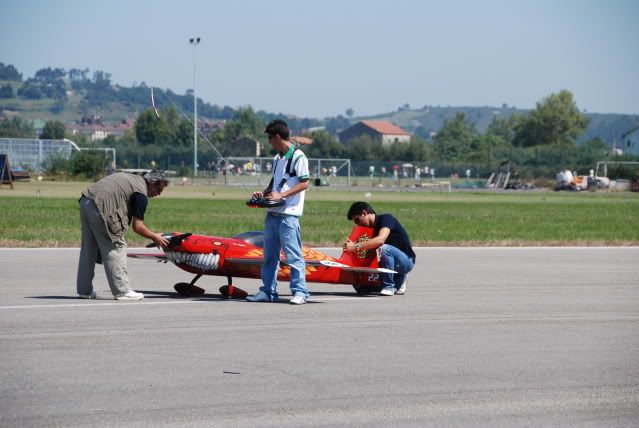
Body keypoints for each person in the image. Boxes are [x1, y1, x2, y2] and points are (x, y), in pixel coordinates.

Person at [76, 171, 169, 300]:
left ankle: (84, 291)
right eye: (159, 189)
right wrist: (155, 237)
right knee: (116, 245)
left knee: (88, 249)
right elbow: (138, 227)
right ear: (152, 183)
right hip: (100, 205)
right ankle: (122, 291)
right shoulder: (140, 195)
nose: (158, 194)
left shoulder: (133, 179)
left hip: (86, 200)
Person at [246, 119, 310, 305]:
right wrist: (265, 194)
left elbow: (305, 183)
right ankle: (268, 291)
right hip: (272, 214)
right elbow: (275, 182)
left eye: (269, 139)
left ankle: (300, 292)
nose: (269, 143)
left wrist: (282, 195)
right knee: (269, 257)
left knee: (293, 256)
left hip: (289, 215)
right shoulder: (277, 159)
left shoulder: (299, 157)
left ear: (277, 137)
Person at [343, 201, 415, 296]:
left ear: (364, 213)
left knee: (385, 249)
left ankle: (389, 286)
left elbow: (380, 240)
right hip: (389, 263)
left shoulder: (386, 219)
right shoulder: (370, 231)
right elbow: (370, 249)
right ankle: (399, 279)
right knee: (363, 289)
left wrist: (355, 246)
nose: (358, 225)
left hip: (406, 261)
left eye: (357, 220)